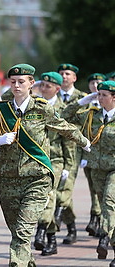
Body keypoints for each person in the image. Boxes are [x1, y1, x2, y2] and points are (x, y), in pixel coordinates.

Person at [0, 63, 91, 266]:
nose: (16, 85)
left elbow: (64, 127)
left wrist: (84, 141)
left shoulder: (41, 108)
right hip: (8, 181)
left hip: (37, 179)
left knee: (23, 231)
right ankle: (26, 262)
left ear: (32, 83)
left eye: (21, 81)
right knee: (16, 232)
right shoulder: (1, 112)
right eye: (13, 82)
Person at [61, 80, 115, 265]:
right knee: (107, 208)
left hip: (114, 169)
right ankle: (110, 241)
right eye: (98, 95)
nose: (99, 98)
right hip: (96, 170)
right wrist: (82, 102)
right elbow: (64, 116)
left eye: (104, 95)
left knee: (108, 203)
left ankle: (105, 237)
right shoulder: (92, 115)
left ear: (114, 97)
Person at [33, 72, 75, 256]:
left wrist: (69, 166)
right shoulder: (34, 105)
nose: (43, 89)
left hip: (55, 161)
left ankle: (42, 231)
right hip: (36, 160)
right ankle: (51, 240)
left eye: (47, 86)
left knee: (48, 196)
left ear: (57, 89)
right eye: (42, 85)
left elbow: (69, 139)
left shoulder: (63, 109)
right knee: (43, 199)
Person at [54, 63, 87, 245]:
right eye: (61, 73)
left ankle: (58, 216)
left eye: (67, 74)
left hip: (74, 150)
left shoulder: (83, 98)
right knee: (61, 188)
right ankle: (71, 226)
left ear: (74, 78)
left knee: (65, 187)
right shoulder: (52, 96)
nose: (64, 76)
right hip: (56, 148)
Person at [82, 73, 106, 237]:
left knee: (109, 200)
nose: (96, 86)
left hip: (112, 165)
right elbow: (69, 121)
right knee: (96, 193)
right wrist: (82, 102)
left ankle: (105, 232)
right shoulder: (91, 111)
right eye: (93, 83)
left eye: (99, 84)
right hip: (94, 162)